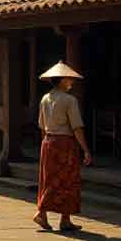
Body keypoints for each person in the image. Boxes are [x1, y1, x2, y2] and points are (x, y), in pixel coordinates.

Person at [34, 61, 92, 232]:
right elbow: (76, 127)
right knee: (68, 180)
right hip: (65, 143)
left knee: (48, 179)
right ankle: (54, 215)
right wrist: (86, 150)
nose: (71, 82)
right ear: (62, 80)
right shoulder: (69, 100)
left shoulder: (45, 98)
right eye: (69, 79)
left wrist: (45, 145)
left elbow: (42, 126)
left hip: (49, 142)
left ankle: (53, 216)